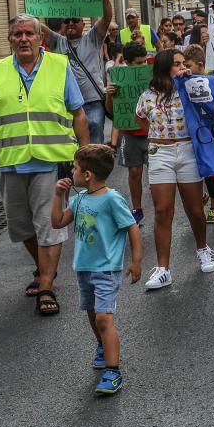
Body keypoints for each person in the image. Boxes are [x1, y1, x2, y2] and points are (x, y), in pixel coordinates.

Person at [0, 14, 89, 315]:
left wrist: (86, 154)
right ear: (10, 39)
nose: (23, 39)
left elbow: (78, 113)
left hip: (50, 162)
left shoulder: (59, 66)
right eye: (17, 34)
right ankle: (43, 267)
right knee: (22, 228)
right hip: (12, 163)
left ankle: (47, 285)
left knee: (49, 225)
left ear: (40, 38)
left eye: (29, 34)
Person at [51, 144, 142, 396]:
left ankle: (113, 371)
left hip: (106, 269)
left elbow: (131, 228)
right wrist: (59, 197)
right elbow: (57, 222)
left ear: (87, 175)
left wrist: (136, 260)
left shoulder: (112, 199)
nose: (72, 170)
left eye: (75, 167)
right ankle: (102, 346)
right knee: (92, 315)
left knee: (104, 318)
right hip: (83, 268)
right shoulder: (78, 199)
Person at [136, 48, 214, 290]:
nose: (183, 67)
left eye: (184, 63)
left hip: (188, 150)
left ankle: (203, 249)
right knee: (162, 211)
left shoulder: (190, 89)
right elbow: (141, 119)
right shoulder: (147, 96)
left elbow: (210, 105)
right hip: (160, 153)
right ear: (163, 68)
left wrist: (191, 80)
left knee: (194, 208)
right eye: (177, 64)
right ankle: (163, 269)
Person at [19, 0, 112, 144]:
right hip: (66, 103)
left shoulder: (93, 38)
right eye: (66, 20)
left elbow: (107, 18)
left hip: (92, 101)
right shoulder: (57, 41)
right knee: (71, 145)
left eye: (74, 20)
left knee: (95, 147)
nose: (70, 23)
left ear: (83, 23)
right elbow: (35, 24)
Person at [106, 43, 149, 225]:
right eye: (138, 63)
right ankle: (137, 209)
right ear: (128, 63)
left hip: (151, 132)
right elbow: (111, 111)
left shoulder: (151, 76)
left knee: (157, 172)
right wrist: (110, 95)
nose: (142, 66)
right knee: (134, 171)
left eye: (144, 62)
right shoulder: (119, 80)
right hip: (130, 133)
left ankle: (162, 207)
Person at [183, 43, 214, 224]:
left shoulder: (213, 83)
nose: (185, 69)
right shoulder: (183, 83)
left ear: (200, 65)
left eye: (188, 66)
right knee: (192, 170)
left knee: (213, 172)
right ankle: (201, 195)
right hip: (193, 136)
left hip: (211, 136)